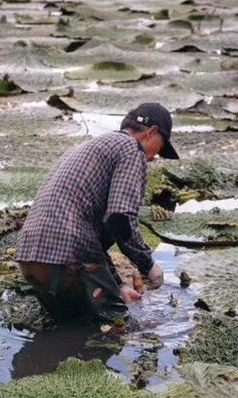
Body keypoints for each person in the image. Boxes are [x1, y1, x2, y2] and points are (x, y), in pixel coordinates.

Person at [15, 103, 179, 324]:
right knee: (116, 330)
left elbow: (90, 233)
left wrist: (118, 286)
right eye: (160, 148)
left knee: (70, 331)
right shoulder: (132, 149)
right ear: (151, 132)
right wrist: (148, 265)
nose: (154, 158)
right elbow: (119, 219)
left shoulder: (86, 148)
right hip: (67, 259)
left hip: (30, 259)